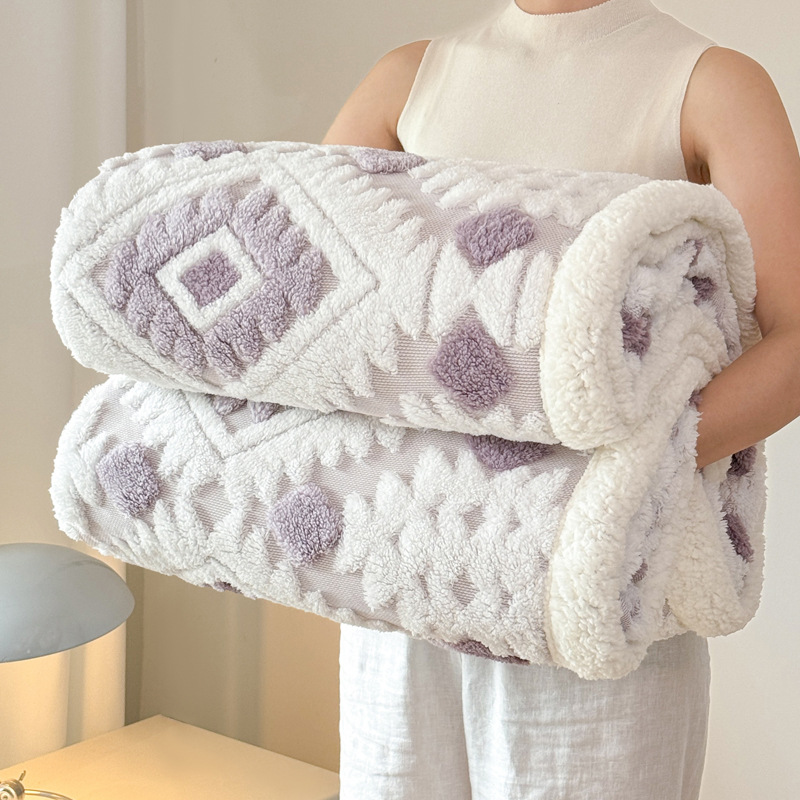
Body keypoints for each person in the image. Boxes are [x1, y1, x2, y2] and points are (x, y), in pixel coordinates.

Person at [322, 1, 800, 797]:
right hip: (410, 570)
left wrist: (598, 490)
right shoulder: (406, 80)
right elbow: (314, 305)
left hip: (599, 582)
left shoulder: (711, 85)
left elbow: (794, 341)